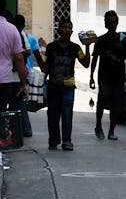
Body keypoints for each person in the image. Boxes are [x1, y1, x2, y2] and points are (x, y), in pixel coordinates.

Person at [35, 20, 89, 151]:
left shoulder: (76, 48)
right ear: (58, 30)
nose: (67, 30)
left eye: (69, 28)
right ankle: (53, 140)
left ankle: (67, 141)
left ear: (72, 31)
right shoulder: (51, 47)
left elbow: (86, 63)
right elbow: (46, 67)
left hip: (68, 87)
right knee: (53, 115)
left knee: (67, 114)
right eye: (64, 27)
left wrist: (87, 46)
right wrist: (40, 84)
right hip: (53, 85)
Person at [89, 10, 126, 141]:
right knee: (102, 101)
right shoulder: (101, 40)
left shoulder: (123, 39)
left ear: (117, 23)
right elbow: (95, 58)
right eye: (110, 22)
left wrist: (120, 48)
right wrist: (91, 76)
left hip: (118, 77)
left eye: (114, 22)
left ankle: (111, 130)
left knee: (116, 105)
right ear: (105, 24)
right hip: (104, 77)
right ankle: (98, 126)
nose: (112, 24)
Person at [11, 15, 37, 138]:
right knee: (19, 102)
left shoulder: (16, 33)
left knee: (11, 103)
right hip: (18, 73)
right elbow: (27, 51)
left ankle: (11, 131)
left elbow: (24, 53)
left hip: (8, 74)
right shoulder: (21, 34)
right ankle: (25, 129)